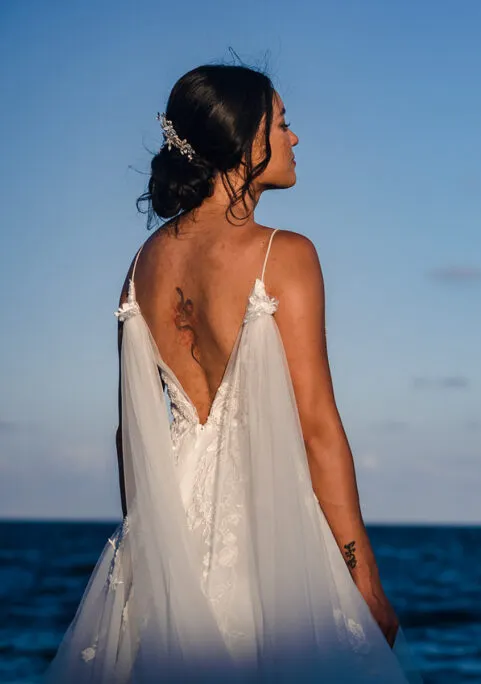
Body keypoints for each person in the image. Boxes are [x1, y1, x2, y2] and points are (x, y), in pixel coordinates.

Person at [44, 64, 420, 683]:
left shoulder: (140, 266)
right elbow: (317, 427)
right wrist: (364, 580)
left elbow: (126, 436)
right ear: (247, 143)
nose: (294, 139)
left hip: (161, 539)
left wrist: (155, 549)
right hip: (266, 535)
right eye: (282, 124)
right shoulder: (284, 254)